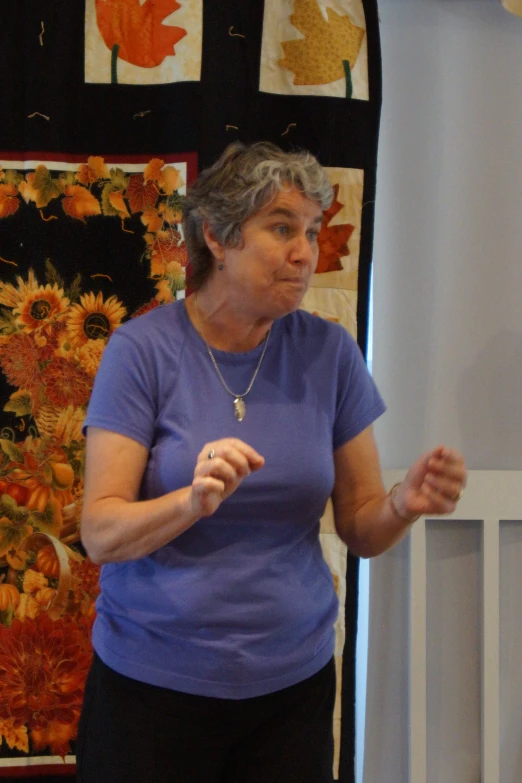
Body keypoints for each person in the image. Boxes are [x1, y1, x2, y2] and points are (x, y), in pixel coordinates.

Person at [76, 142, 467, 783]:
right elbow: (101, 533)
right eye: (282, 227)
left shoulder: (329, 352)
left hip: (292, 694)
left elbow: (363, 527)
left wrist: (403, 504)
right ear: (218, 237)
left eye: (312, 231)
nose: (305, 252)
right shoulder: (140, 351)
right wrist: (191, 501)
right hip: (152, 695)